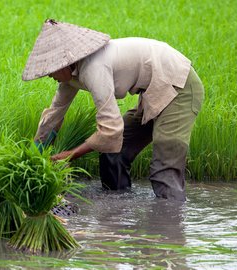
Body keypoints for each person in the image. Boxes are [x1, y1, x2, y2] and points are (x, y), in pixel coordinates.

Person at [23, 19, 204, 201]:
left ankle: (170, 220)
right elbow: (55, 113)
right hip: (154, 90)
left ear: (64, 63)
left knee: (164, 170)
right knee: (114, 153)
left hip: (179, 86)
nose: (48, 75)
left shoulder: (94, 68)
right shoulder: (70, 76)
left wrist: (68, 155)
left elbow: (111, 130)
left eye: (50, 70)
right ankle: (118, 210)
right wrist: (35, 153)